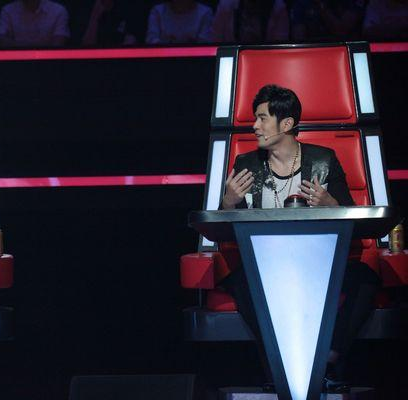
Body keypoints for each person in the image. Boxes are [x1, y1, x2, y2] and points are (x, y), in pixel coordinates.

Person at [220, 85, 380, 391]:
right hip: (267, 266)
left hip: (317, 264)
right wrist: (229, 202)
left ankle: (329, 357)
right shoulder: (246, 165)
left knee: (366, 278)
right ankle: (277, 367)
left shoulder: (324, 161)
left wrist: (330, 204)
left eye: (262, 118)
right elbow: (225, 231)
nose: (255, 126)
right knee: (240, 280)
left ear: (287, 123)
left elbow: (354, 221)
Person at [0, 0, 70, 48]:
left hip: (49, 63)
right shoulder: (8, 11)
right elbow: (2, 40)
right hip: (16, 62)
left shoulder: (58, 11)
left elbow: (58, 45)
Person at [211, 0, 289, 43]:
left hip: (267, 58)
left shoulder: (278, 7)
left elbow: (280, 45)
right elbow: (215, 40)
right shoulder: (226, 5)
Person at [145, 0, 214, 44]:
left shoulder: (205, 13)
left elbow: (204, 44)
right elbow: (152, 40)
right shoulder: (157, 12)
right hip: (163, 60)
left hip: (195, 61)